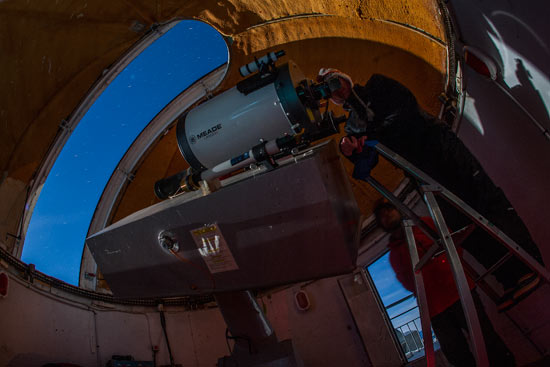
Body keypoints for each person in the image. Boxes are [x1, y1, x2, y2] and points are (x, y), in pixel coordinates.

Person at [317, 69, 545, 311]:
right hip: (420, 172)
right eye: (330, 88)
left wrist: (371, 132)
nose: (336, 88)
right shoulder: (353, 125)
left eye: (335, 80)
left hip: (442, 152)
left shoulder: (378, 84)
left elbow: (404, 112)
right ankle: (508, 278)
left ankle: (528, 266)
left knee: (483, 202)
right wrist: (353, 153)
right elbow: (370, 158)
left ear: (346, 77)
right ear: (333, 100)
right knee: (459, 224)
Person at [376, 201, 516, 366]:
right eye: (382, 216)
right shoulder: (394, 254)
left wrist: (449, 272)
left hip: (459, 292)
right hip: (434, 309)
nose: (387, 215)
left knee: (486, 339)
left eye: (389, 210)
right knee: (456, 353)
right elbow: (407, 282)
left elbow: (452, 244)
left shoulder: (425, 225)